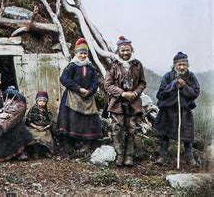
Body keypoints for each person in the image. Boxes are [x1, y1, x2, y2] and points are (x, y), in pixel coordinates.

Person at [104, 36, 146, 167]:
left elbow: (142, 82)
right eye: (122, 51)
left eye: (128, 50)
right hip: (118, 103)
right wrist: (122, 93)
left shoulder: (137, 65)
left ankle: (129, 156)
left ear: (131, 50)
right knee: (117, 128)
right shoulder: (113, 65)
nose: (125, 53)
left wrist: (135, 93)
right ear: (118, 51)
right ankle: (119, 154)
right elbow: (108, 85)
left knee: (131, 128)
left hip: (133, 102)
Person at [56, 38, 102, 153]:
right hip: (72, 97)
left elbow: (95, 81)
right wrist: (78, 88)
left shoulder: (90, 67)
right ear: (76, 53)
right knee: (71, 120)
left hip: (88, 98)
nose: (83, 55)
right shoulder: (72, 66)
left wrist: (90, 90)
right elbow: (64, 78)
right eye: (81, 53)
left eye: (85, 53)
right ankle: (69, 146)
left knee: (88, 121)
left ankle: (86, 144)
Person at [155, 52, 200, 166]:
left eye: (184, 64)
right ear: (174, 64)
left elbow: (195, 93)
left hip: (184, 109)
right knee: (165, 133)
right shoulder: (168, 76)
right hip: (168, 109)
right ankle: (163, 155)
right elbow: (161, 93)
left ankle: (189, 157)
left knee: (187, 133)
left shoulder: (191, 76)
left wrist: (184, 86)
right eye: (179, 64)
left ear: (187, 65)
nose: (182, 67)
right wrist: (174, 84)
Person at [26, 91, 54, 158]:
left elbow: (51, 121)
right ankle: (35, 152)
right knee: (34, 136)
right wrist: (36, 127)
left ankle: (46, 151)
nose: (42, 103)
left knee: (47, 137)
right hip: (34, 128)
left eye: (44, 101)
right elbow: (28, 121)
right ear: (36, 101)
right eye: (40, 101)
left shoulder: (47, 111)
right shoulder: (33, 109)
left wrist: (45, 127)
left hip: (44, 128)